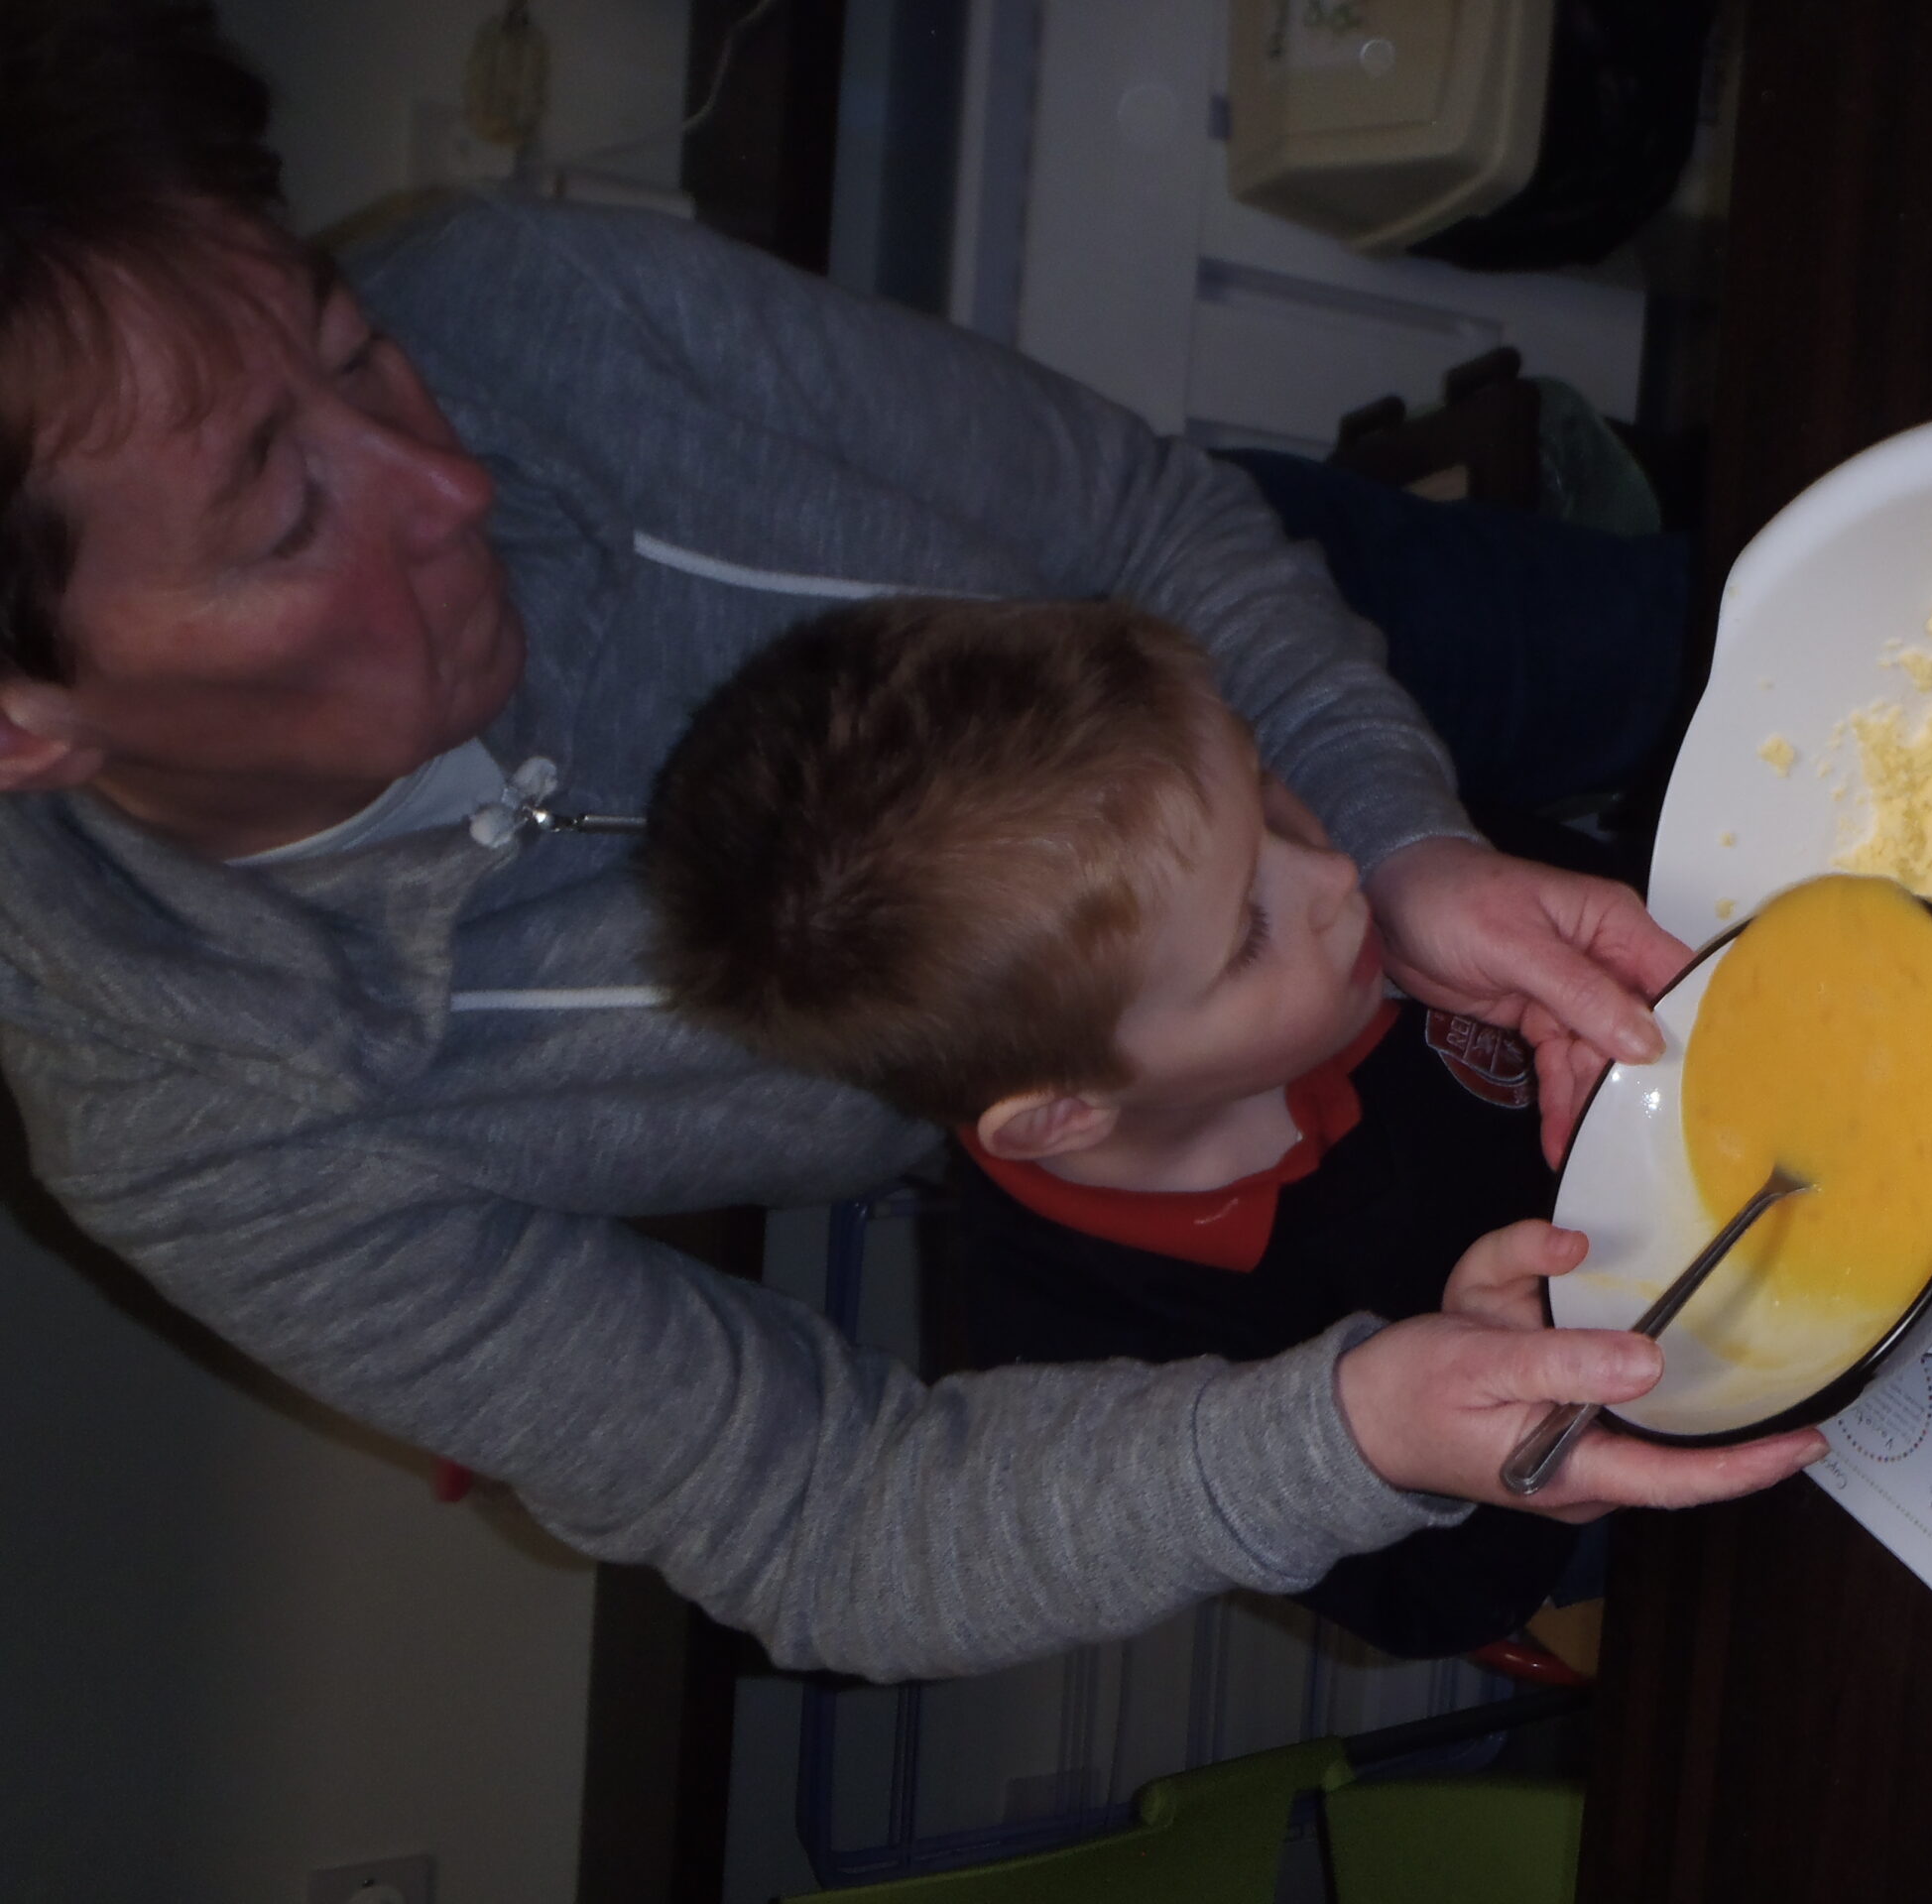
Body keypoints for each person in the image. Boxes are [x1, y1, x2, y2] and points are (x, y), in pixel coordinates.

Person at [0, 0, 1822, 1684]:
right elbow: (823, 1515)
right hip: (1192, 1020)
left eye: (355, 349)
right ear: (27, 726)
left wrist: (1392, 835)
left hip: (1237, 664)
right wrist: (1348, 1435)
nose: (454, 481)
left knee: (1776, 665)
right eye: (282, 513)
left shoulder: (530, 299)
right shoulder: (201, 1119)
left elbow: (1149, 527)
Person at [647, 596, 1608, 1660]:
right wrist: (1493, 1422)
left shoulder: (1323, 911)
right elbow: (1439, 1602)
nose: (1336, 874)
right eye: (1247, 934)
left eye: (1266, 788)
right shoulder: (1088, 1370)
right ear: (1065, 1111)